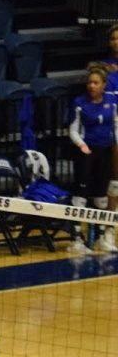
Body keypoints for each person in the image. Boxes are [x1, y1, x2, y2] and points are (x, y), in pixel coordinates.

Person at [68, 65, 118, 254]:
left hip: (105, 151)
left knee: (101, 197)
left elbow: (115, 124)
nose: (91, 86)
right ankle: (76, 239)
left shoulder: (112, 101)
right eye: (89, 82)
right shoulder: (79, 103)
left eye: (96, 83)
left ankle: (98, 238)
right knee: (80, 196)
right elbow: (73, 130)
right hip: (85, 152)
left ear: (104, 85)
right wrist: (82, 145)